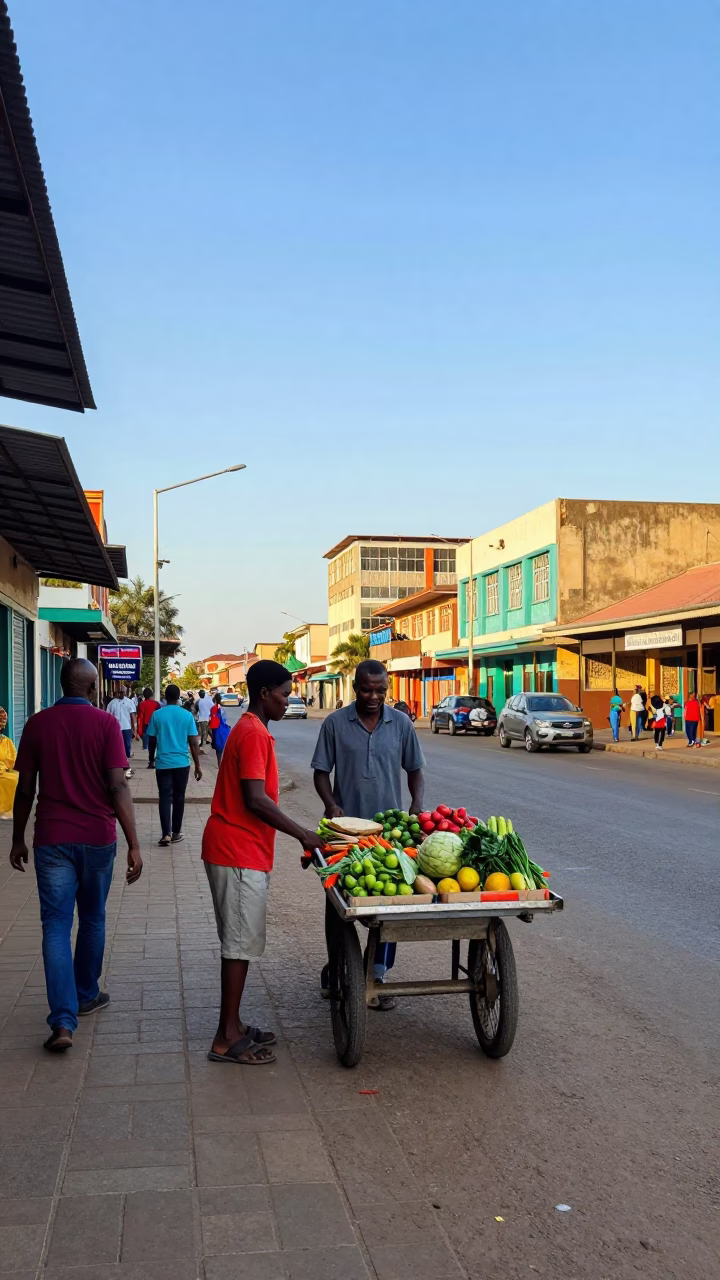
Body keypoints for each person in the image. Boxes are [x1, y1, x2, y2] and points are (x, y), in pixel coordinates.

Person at [8, 659, 142, 1052]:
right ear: (91, 686)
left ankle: (63, 1022)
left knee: (54, 926)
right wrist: (134, 842)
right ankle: (85, 995)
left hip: (51, 839)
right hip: (98, 838)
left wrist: (18, 838)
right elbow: (118, 787)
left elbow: (24, 789)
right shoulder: (104, 725)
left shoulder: (37, 723)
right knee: (94, 917)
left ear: (63, 684)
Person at [201, 660, 319, 1065]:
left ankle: (233, 1024)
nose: (289, 702)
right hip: (235, 850)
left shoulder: (255, 730)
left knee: (242, 942)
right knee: (237, 946)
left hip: (243, 850)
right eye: (285, 695)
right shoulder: (252, 733)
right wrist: (303, 833)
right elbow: (256, 800)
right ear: (265, 693)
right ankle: (225, 1038)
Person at [311, 659, 425, 1010]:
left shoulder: (401, 724)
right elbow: (320, 773)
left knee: (391, 904)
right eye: (366, 689)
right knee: (339, 904)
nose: (373, 696)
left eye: (380, 690)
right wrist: (331, 804)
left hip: (388, 833)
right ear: (354, 688)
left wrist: (417, 804)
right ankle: (339, 965)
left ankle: (377, 972)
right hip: (345, 834)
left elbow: (415, 770)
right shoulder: (334, 724)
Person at [147, 685, 202, 847]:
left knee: (164, 797)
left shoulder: (157, 715)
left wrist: (151, 760)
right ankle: (176, 832)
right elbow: (193, 742)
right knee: (179, 797)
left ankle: (166, 834)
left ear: (165, 696)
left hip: (163, 763)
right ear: (178, 697)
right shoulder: (187, 715)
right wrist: (197, 765)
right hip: (182, 763)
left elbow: (151, 740)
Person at [105, 689, 137, 778]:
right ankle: (121, 767)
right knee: (117, 747)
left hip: (127, 728)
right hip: (115, 728)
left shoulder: (129, 702)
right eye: (119, 692)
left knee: (127, 747)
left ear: (126, 693)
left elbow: (133, 716)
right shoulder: (112, 703)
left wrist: (135, 730)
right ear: (116, 693)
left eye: (123, 692)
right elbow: (108, 716)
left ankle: (126, 767)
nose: (121, 693)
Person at [0, 706, 19, 819]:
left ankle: (5, 811)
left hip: (3, 770)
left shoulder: (7, 742)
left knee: (14, 778)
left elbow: (13, 762)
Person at [136, 686, 160, 760]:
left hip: (146, 725)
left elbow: (140, 717)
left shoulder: (141, 704)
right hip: (155, 725)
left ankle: (150, 756)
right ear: (151, 694)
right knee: (154, 742)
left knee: (148, 743)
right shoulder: (156, 704)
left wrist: (138, 731)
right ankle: (153, 758)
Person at [210, 692, 231, 765]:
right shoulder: (224, 708)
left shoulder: (214, 708)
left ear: (215, 699)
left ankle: (220, 766)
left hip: (217, 731)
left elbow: (213, 721)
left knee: (219, 751)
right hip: (225, 730)